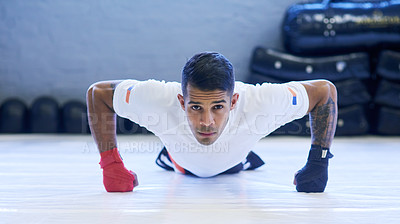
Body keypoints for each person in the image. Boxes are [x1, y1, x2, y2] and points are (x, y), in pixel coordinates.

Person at [86, 52, 337, 193]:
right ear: (181, 101)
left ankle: (240, 157)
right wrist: (111, 165)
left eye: (218, 107)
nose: (206, 122)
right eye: (196, 107)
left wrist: (319, 163)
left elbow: (324, 92)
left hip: (236, 159)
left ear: (234, 100)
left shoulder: (261, 101)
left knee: (235, 156)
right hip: (180, 161)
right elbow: (98, 94)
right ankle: (172, 156)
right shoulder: (158, 98)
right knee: (182, 158)